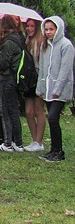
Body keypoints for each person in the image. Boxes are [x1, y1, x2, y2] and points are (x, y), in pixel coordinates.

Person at [36, 16, 74, 162]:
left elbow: (65, 70)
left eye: (51, 29)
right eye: (46, 29)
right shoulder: (45, 45)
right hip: (47, 89)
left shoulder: (66, 45)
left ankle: (59, 151)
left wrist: (57, 89)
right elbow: (42, 68)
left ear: (58, 29)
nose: (48, 32)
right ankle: (53, 149)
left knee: (52, 117)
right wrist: (40, 88)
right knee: (52, 119)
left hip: (60, 90)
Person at [0, 15, 26, 153]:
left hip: (8, 79)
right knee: (12, 110)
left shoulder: (9, 42)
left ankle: (9, 143)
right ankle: (17, 142)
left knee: (6, 110)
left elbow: (1, 63)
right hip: (12, 78)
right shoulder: (19, 39)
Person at [23, 18, 47, 152]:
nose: (29, 28)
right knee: (28, 111)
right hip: (28, 79)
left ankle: (39, 141)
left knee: (38, 110)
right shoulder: (27, 41)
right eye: (27, 26)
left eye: (32, 26)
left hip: (39, 78)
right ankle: (34, 140)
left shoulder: (41, 42)